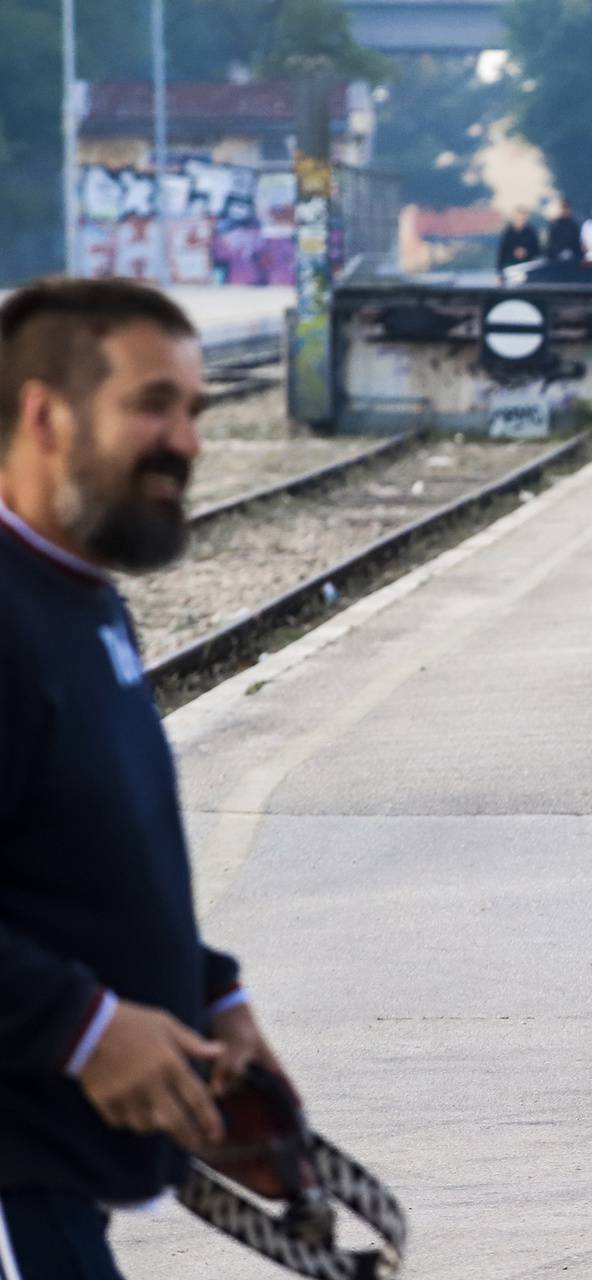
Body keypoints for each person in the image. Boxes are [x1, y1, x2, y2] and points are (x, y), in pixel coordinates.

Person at [0, 277, 295, 1277]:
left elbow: (73, 854)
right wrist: (82, 1027)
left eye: (194, 409)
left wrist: (205, 994)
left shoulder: (82, 599)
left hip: (50, 1172)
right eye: (151, 405)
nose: (188, 439)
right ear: (45, 412)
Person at [496, 206, 539, 272]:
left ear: (526, 218)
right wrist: (499, 271)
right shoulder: (508, 232)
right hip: (511, 267)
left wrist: (526, 253)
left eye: (522, 218)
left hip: (527, 268)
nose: (520, 219)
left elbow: (538, 251)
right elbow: (502, 253)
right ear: (514, 217)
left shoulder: (531, 232)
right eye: (518, 217)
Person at [545, 195, 583, 268]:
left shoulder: (574, 225)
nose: (565, 210)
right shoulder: (554, 225)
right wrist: (559, 253)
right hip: (555, 260)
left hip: (572, 260)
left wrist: (571, 253)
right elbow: (551, 244)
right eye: (563, 208)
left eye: (567, 208)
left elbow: (576, 243)